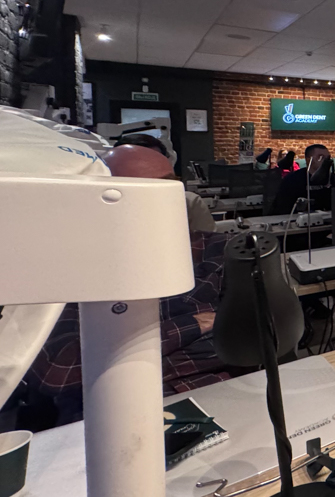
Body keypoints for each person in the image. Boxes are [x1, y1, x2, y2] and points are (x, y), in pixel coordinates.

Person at [23, 146, 238, 427]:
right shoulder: (69, 268)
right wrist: (194, 325)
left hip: (221, 400)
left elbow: (255, 340)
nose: (161, 200)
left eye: (169, 186)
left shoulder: (219, 251)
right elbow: (58, 371)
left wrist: (112, 359)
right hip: (105, 418)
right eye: (139, 190)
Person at [272, 144, 335, 214]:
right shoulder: (292, 179)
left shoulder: (332, 178)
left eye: (327, 158)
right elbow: (283, 207)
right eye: (320, 157)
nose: (325, 161)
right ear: (308, 159)